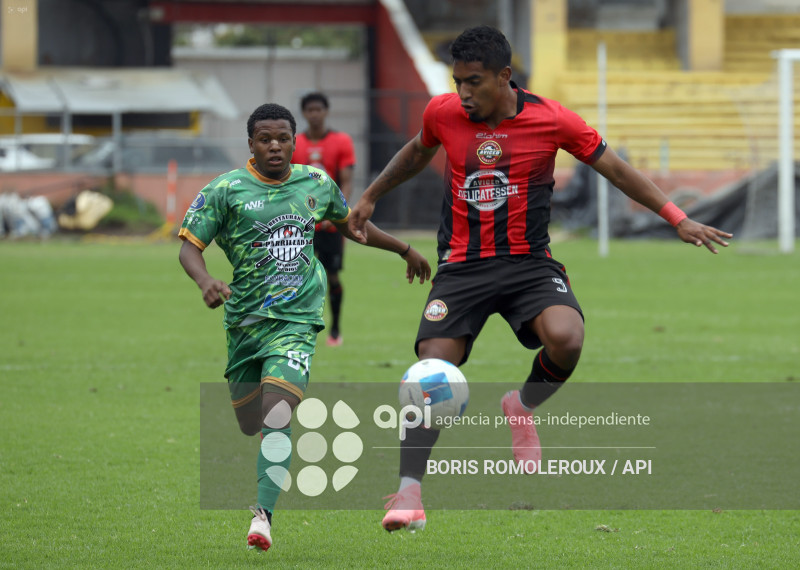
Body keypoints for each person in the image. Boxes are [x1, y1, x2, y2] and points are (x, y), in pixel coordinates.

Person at [348, 25, 733, 533]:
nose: (463, 94)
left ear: (505, 77)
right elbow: (417, 151)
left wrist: (676, 216)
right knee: (429, 377)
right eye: (458, 81)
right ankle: (409, 493)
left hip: (529, 263)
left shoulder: (553, 119)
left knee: (567, 339)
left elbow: (615, 170)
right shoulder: (443, 112)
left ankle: (521, 405)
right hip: (463, 266)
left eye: (475, 82)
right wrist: (372, 195)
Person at [178, 103, 431, 552]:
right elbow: (189, 249)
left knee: (279, 414)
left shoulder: (315, 183)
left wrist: (403, 249)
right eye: (264, 139)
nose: (274, 146)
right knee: (248, 421)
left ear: (294, 141)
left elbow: (353, 225)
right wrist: (205, 280)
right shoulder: (225, 190)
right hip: (244, 324)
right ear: (250, 144)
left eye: (282, 138)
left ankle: (263, 518)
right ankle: (264, 472)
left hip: (296, 321)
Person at [293, 92, 357, 346]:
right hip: (301, 226)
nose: (314, 114)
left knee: (332, 276)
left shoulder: (341, 141)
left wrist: (337, 213)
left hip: (330, 226)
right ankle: (298, 328)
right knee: (297, 277)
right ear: (304, 113)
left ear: (326, 111)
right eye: (309, 110)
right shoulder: (295, 143)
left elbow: (347, 182)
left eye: (318, 109)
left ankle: (335, 328)